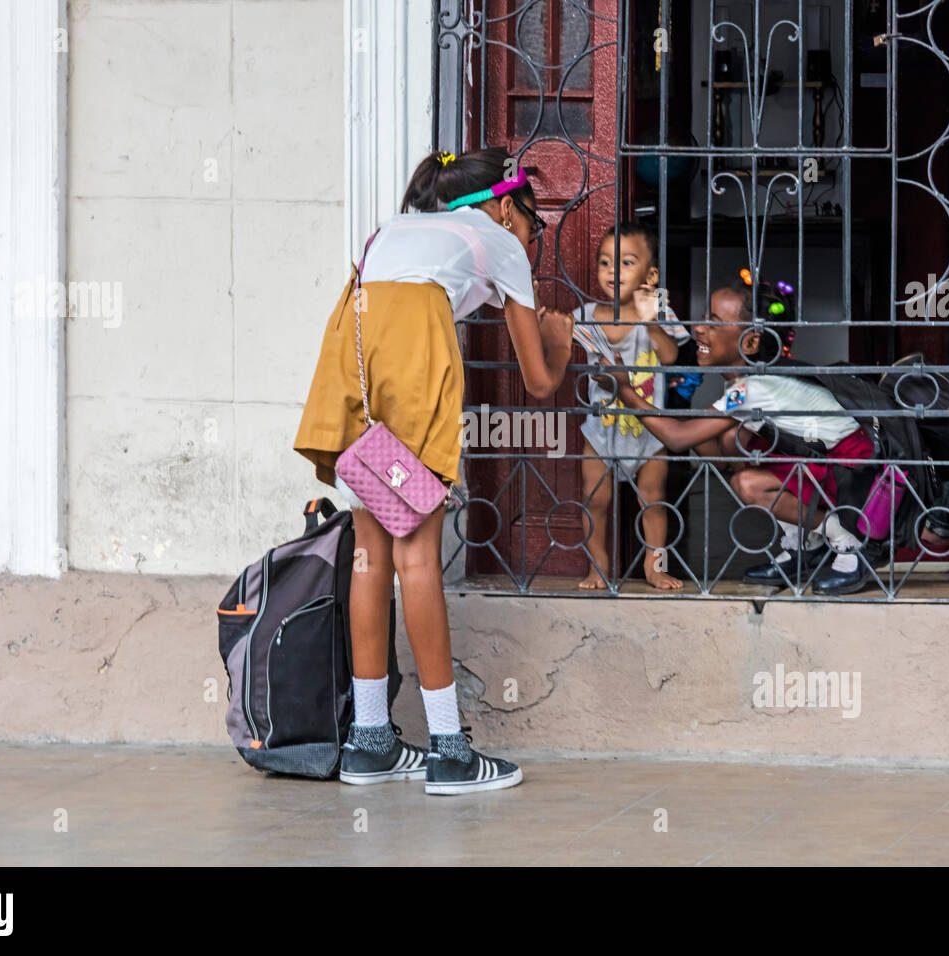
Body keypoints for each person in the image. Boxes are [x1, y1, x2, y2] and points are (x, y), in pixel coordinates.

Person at [294, 147, 575, 794]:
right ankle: (450, 749)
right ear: (504, 206)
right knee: (418, 556)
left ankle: (370, 742)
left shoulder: (391, 230)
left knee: (372, 554)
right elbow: (537, 380)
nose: (530, 235)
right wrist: (558, 345)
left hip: (353, 355)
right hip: (416, 356)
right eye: (532, 220)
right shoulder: (499, 241)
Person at [594, 276, 878, 595]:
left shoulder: (753, 389)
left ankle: (848, 543)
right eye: (703, 319)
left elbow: (676, 439)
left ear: (751, 343)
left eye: (713, 323)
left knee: (747, 483)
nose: (699, 329)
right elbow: (721, 454)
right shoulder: (751, 380)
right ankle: (804, 544)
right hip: (838, 472)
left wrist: (624, 389)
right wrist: (679, 405)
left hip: (859, 480)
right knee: (741, 445)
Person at [573, 222, 687, 590]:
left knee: (653, 500)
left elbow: (669, 356)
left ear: (650, 274)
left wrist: (650, 320)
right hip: (600, 427)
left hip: (649, 428)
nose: (612, 271)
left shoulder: (660, 312)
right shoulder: (587, 316)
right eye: (605, 262)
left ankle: (654, 567)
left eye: (625, 262)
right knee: (595, 499)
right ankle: (598, 566)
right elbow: (553, 342)